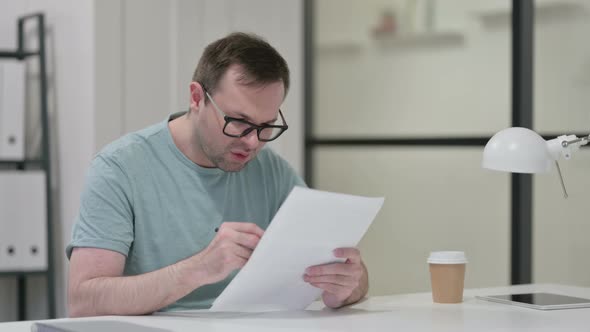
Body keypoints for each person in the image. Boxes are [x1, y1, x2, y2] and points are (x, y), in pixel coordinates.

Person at [66, 32, 369, 317]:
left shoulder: (271, 170)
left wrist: (348, 285)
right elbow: (83, 302)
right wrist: (198, 270)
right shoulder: (120, 168)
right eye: (239, 121)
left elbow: (349, 274)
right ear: (197, 98)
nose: (253, 142)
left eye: (266, 126)